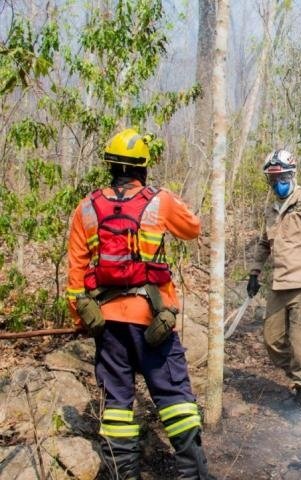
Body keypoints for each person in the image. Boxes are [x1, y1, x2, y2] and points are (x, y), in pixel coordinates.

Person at [66, 128, 212, 479]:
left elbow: (76, 275)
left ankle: (124, 474)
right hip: (152, 319)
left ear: (109, 166)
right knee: (175, 399)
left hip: (108, 323)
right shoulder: (159, 201)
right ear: (142, 168)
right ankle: (193, 474)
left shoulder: (85, 207)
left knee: (116, 405)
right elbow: (193, 229)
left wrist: (80, 319)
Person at [247, 149, 301, 408]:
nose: (278, 183)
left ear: (292, 175)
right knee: (272, 341)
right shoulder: (271, 209)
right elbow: (264, 243)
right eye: (273, 178)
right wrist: (254, 272)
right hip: (279, 285)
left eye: (282, 177)